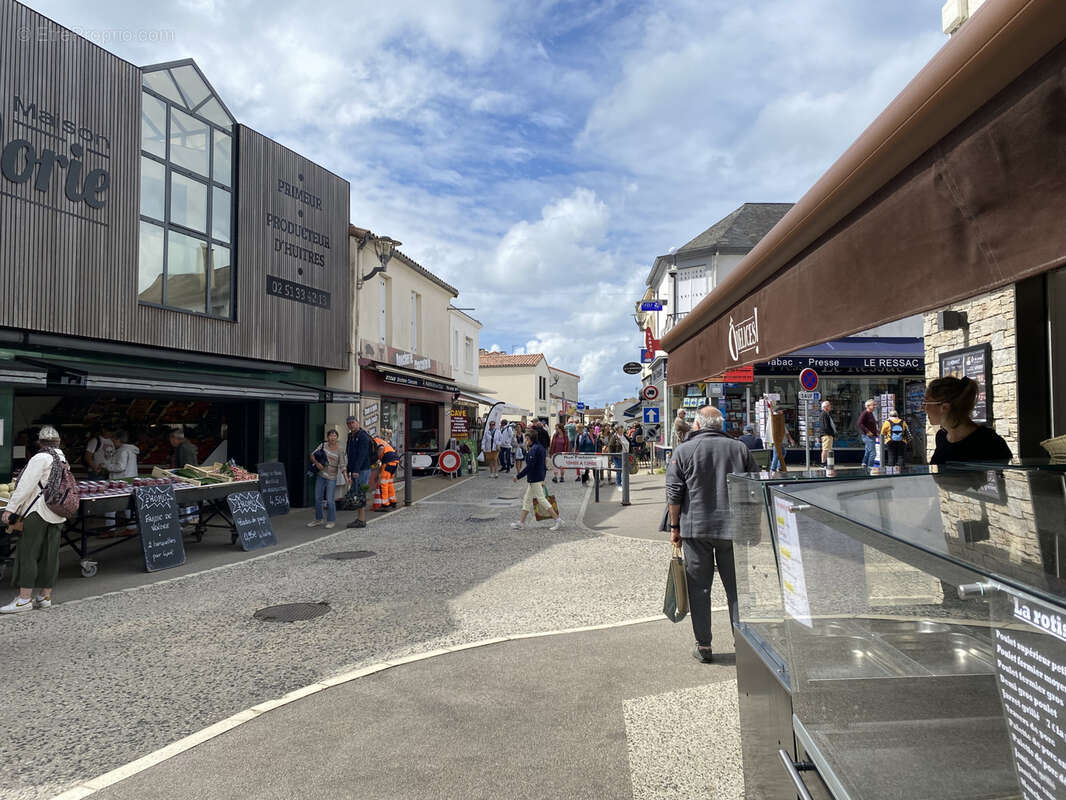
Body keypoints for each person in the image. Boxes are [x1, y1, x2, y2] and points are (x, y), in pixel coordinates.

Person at [666, 406, 759, 663]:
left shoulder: (684, 450)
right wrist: (755, 526)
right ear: (720, 425)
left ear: (697, 425)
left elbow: (674, 493)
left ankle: (704, 646)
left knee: (699, 589)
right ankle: (743, 644)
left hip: (696, 529)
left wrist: (675, 529)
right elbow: (754, 490)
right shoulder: (740, 449)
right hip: (734, 529)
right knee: (737, 590)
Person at [1, 426, 68, 614]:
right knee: (51, 554)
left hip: (38, 512)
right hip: (57, 511)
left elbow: (24, 486)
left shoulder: (40, 458)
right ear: (58, 442)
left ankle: (24, 599)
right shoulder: (62, 458)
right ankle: (45, 596)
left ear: (39, 442)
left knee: (28, 553)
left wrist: (11, 509)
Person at [925, 376, 1012, 465]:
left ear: (945, 407)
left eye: (926, 403)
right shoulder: (941, 437)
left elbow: (1000, 476)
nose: (923, 408)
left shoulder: (989, 441)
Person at [511, 432, 563, 531]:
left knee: (541, 499)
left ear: (531, 439)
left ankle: (557, 519)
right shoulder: (540, 448)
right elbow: (543, 466)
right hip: (536, 478)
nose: (526, 441)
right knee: (527, 500)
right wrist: (542, 478)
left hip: (534, 478)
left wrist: (518, 476)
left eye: (527, 439)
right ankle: (521, 523)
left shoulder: (534, 449)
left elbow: (530, 466)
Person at [307, 428, 347, 529]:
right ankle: (318, 519)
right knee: (317, 498)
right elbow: (312, 455)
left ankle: (331, 520)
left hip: (332, 477)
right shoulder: (322, 446)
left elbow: (342, 465)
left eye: (334, 435)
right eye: (330, 435)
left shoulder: (340, 450)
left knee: (330, 500)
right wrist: (317, 464)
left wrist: (346, 477)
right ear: (327, 437)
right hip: (321, 475)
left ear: (337, 437)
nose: (332, 437)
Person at [103, 430, 140, 533]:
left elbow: (120, 467)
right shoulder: (131, 450)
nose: (112, 442)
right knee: (128, 505)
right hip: (129, 480)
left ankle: (110, 529)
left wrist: (106, 466)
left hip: (119, 481)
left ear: (118, 440)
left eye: (113, 440)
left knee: (110, 505)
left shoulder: (123, 451)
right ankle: (131, 527)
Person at [344, 416, 372, 529]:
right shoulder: (351, 436)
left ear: (357, 423)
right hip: (356, 469)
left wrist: (356, 470)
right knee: (358, 494)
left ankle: (361, 520)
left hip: (363, 470)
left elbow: (362, 454)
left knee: (360, 494)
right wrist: (349, 469)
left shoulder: (363, 436)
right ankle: (360, 518)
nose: (351, 425)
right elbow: (350, 454)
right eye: (349, 423)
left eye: (353, 423)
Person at [372, 435, 401, 509]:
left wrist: (376, 459)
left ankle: (385, 504)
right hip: (394, 461)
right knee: (389, 482)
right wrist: (379, 472)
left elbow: (381, 449)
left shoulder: (375, 441)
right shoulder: (382, 441)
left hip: (388, 461)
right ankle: (393, 501)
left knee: (383, 483)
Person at [858, 399, 879, 469]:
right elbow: (859, 423)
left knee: (868, 450)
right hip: (867, 436)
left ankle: (864, 463)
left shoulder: (870, 413)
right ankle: (870, 466)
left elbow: (871, 425)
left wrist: (876, 433)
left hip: (872, 436)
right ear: (868, 406)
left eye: (874, 405)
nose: (874, 406)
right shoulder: (865, 413)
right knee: (873, 453)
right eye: (873, 405)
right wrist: (867, 431)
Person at [819, 400, 837, 465]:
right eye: (829, 405)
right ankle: (823, 463)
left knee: (827, 449)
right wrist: (831, 434)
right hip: (826, 435)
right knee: (825, 449)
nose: (830, 407)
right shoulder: (824, 414)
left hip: (827, 435)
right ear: (825, 407)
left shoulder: (826, 414)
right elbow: (825, 426)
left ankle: (826, 463)